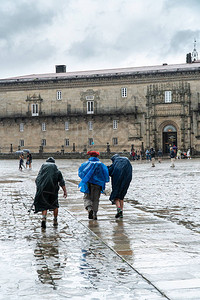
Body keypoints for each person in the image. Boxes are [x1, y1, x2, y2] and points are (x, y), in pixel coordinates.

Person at [34, 157, 67, 229]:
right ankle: (55, 220)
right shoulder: (57, 171)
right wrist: (65, 191)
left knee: (44, 205)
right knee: (55, 205)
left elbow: (37, 180)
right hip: (53, 191)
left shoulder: (42, 172)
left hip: (43, 190)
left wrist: (39, 190)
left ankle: (43, 219)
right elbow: (62, 182)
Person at [78, 151, 109, 220]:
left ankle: (89, 208)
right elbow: (106, 174)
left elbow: (80, 173)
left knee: (87, 197)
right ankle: (95, 213)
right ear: (97, 157)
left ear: (90, 156)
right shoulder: (101, 165)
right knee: (96, 199)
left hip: (88, 184)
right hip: (98, 184)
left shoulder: (85, 164)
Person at [108, 154, 132, 219]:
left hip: (117, 180)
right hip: (127, 179)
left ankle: (119, 209)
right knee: (121, 196)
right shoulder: (126, 160)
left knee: (116, 195)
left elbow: (110, 171)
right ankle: (121, 212)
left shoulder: (115, 163)